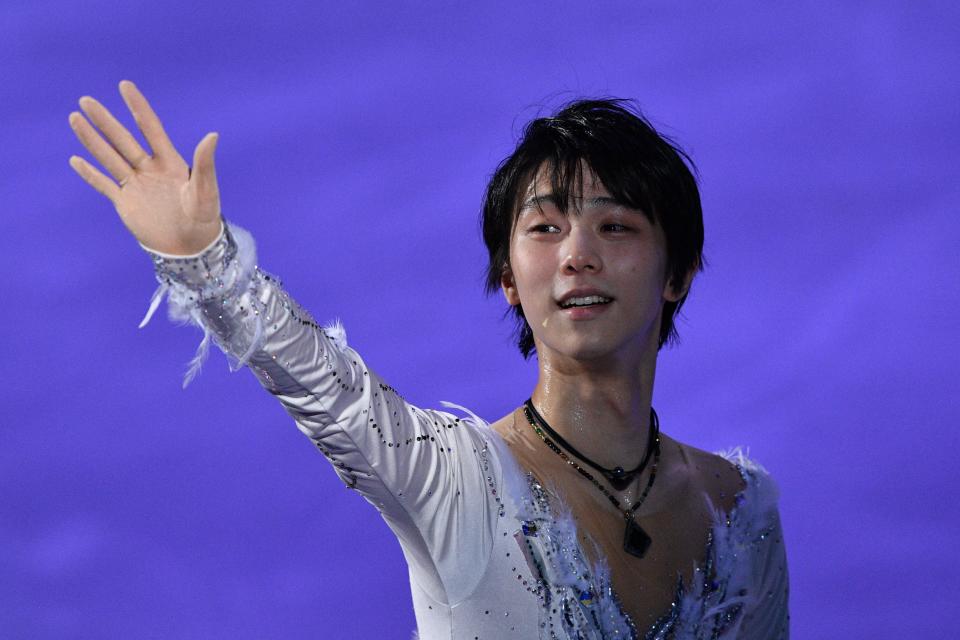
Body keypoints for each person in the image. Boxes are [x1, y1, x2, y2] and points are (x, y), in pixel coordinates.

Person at [68, 80, 789, 639]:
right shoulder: (456, 482)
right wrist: (207, 264)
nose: (577, 255)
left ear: (678, 273)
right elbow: (322, 385)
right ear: (508, 279)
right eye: (544, 227)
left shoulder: (737, 505)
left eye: (616, 225)